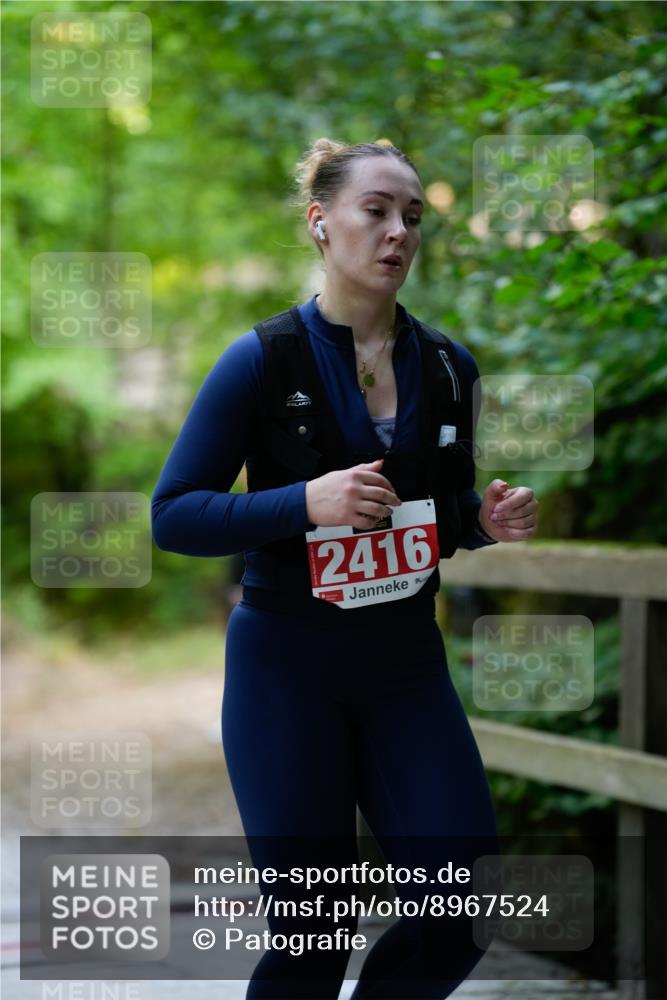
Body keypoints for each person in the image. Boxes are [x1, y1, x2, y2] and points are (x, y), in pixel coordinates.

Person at [151, 138, 539, 999]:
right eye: (377, 210)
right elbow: (173, 517)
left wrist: (480, 520)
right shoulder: (260, 359)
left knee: (462, 903)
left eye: (413, 216)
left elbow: (432, 517)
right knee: (313, 936)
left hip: (404, 669)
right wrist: (303, 503)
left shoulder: (446, 365)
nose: (398, 231)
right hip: (286, 668)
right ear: (321, 224)